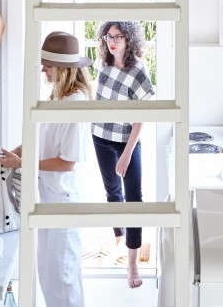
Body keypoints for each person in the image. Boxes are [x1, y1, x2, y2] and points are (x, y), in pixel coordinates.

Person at [0, 31, 91, 307]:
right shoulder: (57, 98)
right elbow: (40, 138)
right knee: (50, 279)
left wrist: (23, 164)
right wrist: (17, 152)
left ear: (63, 69)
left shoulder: (76, 106)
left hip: (62, 205)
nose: (42, 69)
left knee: (63, 282)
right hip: (48, 202)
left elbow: (67, 162)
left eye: (47, 65)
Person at [91, 20, 155, 289]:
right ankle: (120, 241)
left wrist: (127, 153)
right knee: (112, 194)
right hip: (100, 137)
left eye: (117, 36)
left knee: (134, 199)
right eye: (108, 36)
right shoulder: (103, 65)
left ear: (129, 39)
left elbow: (141, 118)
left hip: (126, 141)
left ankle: (132, 264)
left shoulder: (138, 70)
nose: (112, 41)